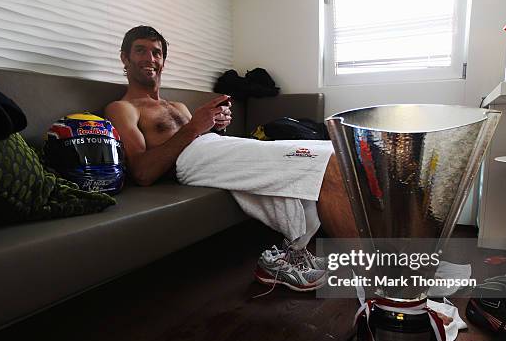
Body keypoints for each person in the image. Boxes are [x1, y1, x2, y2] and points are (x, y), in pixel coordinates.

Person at [105, 26, 357, 292]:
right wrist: (196, 127)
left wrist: (216, 125)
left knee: (334, 150)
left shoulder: (176, 106)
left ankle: (288, 256)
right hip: (189, 163)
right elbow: (143, 172)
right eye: (140, 50)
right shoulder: (123, 108)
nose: (150, 58)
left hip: (213, 147)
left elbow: (199, 140)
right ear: (125, 58)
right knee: (323, 162)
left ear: (164, 61)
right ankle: (380, 283)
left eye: (157, 52)